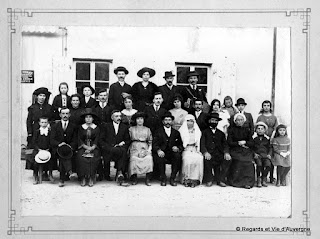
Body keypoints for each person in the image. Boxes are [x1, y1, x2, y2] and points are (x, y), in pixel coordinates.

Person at [99, 110, 131, 186]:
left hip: (120, 148)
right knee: (120, 152)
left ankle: (119, 172)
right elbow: (101, 140)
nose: (119, 118)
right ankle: (119, 172)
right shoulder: (106, 126)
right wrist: (108, 147)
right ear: (112, 117)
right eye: (116, 116)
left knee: (122, 150)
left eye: (120, 116)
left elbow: (128, 140)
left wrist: (123, 143)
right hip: (108, 149)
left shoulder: (124, 127)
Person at [201, 113, 232, 187]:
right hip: (209, 153)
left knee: (227, 160)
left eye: (216, 120)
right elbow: (202, 144)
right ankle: (209, 179)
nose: (214, 122)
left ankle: (221, 179)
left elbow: (225, 144)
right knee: (207, 160)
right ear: (209, 121)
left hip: (219, 153)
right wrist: (205, 152)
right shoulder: (204, 132)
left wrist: (226, 153)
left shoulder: (221, 133)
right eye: (212, 120)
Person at [152, 112, 183, 186]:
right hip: (162, 152)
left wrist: (177, 148)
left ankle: (172, 178)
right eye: (166, 120)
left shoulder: (176, 133)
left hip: (171, 153)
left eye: (169, 120)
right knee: (160, 158)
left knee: (177, 156)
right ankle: (163, 178)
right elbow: (154, 144)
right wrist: (158, 150)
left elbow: (180, 145)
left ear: (172, 121)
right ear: (163, 121)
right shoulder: (158, 132)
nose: (168, 122)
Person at [50, 107, 78, 187]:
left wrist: (70, 146)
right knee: (62, 153)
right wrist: (59, 144)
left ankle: (62, 179)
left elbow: (75, 139)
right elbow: (52, 139)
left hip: (70, 148)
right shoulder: (55, 126)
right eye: (63, 113)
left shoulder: (73, 126)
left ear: (69, 115)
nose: (65, 115)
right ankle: (69, 172)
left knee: (65, 152)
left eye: (66, 113)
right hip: (58, 148)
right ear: (60, 115)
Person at [227, 113, 255, 189]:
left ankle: (247, 182)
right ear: (235, 121)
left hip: (245, 149)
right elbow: (229, 142)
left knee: (249, 162)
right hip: (235, 149)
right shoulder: (231, 130)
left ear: (244, 121)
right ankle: (236, 182)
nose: (239, 121)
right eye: (238, 120)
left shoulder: (247, 130)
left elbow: (252, 142)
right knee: (239, 161)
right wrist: (238, 143)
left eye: (241, 120)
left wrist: (245, 142)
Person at [76, 108, 101, 187]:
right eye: (87, 117)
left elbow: (97, 138)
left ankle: (91, 177)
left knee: (93, 158)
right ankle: (83, 177)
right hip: (83, 147)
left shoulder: (96, 128)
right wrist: (85, 147)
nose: (88, 119)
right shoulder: (81, 128)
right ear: (84, 119)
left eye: (90, 117)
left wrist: (92, 147)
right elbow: (79, 138)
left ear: (93, 118)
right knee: (81, 157)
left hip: (94, 147)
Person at [256, 100, 279, 183]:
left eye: (268, 105)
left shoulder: (274, 117)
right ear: (262, 107)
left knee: (270, 157)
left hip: (272, 137)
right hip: (263, 138)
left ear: (270, 107)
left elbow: (276, 128)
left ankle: (271, 177)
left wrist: (272, 136)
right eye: (264, 105)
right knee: (262, 156)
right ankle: (262, 177)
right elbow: (258, 128)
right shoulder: (260, 117)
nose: (266, 107)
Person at [128, 112, 153, 186]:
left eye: (141, 119)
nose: (140, 120)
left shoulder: (147, 129)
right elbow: (128, 140)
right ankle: (134, 177)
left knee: (149, 158)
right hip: (134, 146)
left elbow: (150, 141)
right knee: (133, 158)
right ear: (135, 120)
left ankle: (148, 178)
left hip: (144, 146)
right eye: (138, 119)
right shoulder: (131, 129)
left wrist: (149, 150)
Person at [178, 115, 203, 188]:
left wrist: (198, 150)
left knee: (199, 158)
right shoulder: (181, 131)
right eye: (188, 121)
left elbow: (199, 142)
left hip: (195, 148)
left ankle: (195, 179)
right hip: (186, 149)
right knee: (187, 159)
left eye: (191, 121)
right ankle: (186, 179)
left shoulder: (197, 131)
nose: (190, 123)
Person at [30, 117, 54, 184]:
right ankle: (35, 175)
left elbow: (51, 141)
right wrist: (38, 149)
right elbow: (33, 142)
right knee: (35, 161)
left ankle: (50, 174)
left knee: (52, 159)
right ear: (39, 123)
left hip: (47, 149)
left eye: (45, 122)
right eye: (42, 122)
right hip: (38, 150)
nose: (44, 124)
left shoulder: (50, 132)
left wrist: (48, 148)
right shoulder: (37, 132)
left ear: (48, 123)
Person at [253, 122, 272, 187]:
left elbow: (270, 148)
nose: (260, 130)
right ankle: (258, 178)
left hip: (265, 155)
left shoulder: (267, 139)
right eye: (258, 129)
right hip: (257, 155)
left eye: (262, 129)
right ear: (256, 130)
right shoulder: (254, 138)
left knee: (268, 165)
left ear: (264, 130)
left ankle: (264, 178)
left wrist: (269, 154)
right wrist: (254, 153)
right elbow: (251, 147)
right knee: (259, 165)